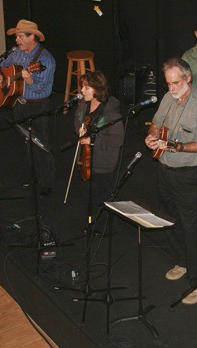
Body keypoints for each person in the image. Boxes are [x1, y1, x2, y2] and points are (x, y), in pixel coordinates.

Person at [145, 57, 197, 305]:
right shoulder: (168, 97)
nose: (172, 89)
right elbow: (156, 123)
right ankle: (182, 261)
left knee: (190, 226)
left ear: (188, 78)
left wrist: (175, 145)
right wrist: (151, 137)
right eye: (168, 84)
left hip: (188, 175)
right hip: (164, 169)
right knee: (167, 218)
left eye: (176, 83)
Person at [0, 19, 56, 197]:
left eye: (20, 36)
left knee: (41, 145)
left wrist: (29, 81)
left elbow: (44, 89)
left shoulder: (45, 60)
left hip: (38, 107)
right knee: (24, 144)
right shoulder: (16, 54)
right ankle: (32, 176)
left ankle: (47, 183)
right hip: (18, 104)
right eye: (17, 36)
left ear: (32, 37)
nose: (17, 40)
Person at [74, 70, 124, 235]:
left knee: (101, 194)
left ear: (97, 89)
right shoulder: (84, 105)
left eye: (86, 88)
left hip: (104, 161)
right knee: (88, 193)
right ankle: (91, 221)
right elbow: (77, 119)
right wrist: (80, 130)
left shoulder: (111, 113)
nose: (82, 90)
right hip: (87, 158)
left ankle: (101, 226)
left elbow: (117, 140)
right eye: (82, 87)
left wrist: (93, 141)